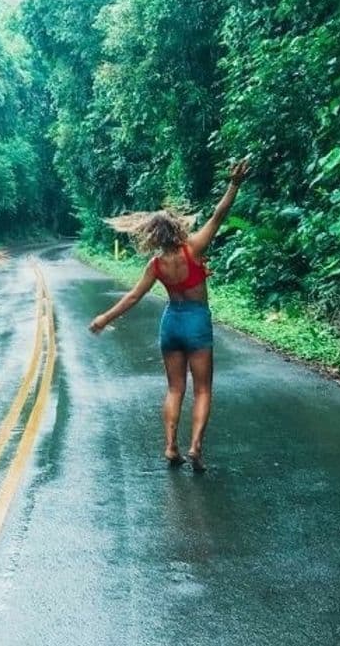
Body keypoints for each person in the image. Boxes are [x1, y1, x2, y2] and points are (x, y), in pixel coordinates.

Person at [89, 159, 251, 472]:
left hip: (171, 323)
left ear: (155, 235)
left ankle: (170, 446)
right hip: (196, 321)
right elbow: (219, 215)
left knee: (175, 388)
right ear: (176, 228)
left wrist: (104, 319)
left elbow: (134, 296)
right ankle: (195, 447)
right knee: (203, 389)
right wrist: (234, 184)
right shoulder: (195, 248)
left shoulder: (156, 265)